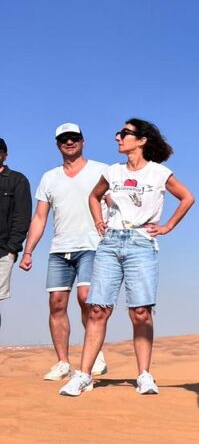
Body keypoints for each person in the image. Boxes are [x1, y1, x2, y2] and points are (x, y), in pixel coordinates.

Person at [59, 119, 194, 398]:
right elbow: (94, 196)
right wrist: (99, 221)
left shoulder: (158, 172)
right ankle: (83, 374)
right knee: (97, 309)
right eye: (119, 133)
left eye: (125, 134)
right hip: (110, 243)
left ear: (141, 140)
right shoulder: (113, 171)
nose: (118, 137)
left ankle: (144, 375)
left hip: (141, 244)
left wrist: (167, 226)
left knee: (140, 312)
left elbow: (187, 197)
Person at [20, 123, 110, 380]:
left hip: (92, 245)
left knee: (86, 298)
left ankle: (95, 354)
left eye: (74, 138)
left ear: (82, 141)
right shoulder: (49, 177)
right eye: (63, 139)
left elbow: (113, 201)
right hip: (60, 248)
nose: (69, 142)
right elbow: (40, 217)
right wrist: (29, 252)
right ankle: (62, 362)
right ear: (58, 144)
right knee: (56, 304)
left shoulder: (100, 170)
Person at [0, 138, 31, 318]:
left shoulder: (16, 180)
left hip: (2, 250)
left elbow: (22, 217)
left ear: (4, 155)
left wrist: (11, 249)